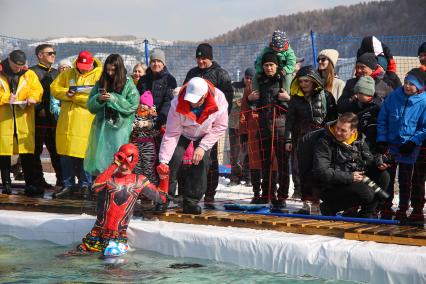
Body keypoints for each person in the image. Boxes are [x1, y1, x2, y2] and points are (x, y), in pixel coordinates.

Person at [73, 143, 169, 257]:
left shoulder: (139, 181)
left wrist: (164, 178)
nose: (123, 166)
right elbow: (95, 187)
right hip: (97, 233)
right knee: (73, 257)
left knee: (112, 267)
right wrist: (114, 164)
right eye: (121, 161)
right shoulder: (109, 178)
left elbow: (161, 199)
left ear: (135, 161)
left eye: (127, 161)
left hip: (118, 236)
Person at [158, 77, 228, 214]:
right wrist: (163, 160)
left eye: (196, 100)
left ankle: (191, 201)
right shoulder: (177, 102)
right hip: (182, 132)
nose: (192, 103)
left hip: (205, 133)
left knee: (202, 161)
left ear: (205, 95)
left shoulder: (219, 99)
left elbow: (220, 126)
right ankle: (163, 199)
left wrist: (202, 147)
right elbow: (172, 134)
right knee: (172, 159)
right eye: (190, 100)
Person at [313, 113, 390, 218]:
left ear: (353, 131)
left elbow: (368, 160)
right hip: (329, 186)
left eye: (343, 130)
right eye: (337, 128)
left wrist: (378, 162)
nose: (338, 132)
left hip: (352, 180)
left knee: (383, 176)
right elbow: (322, 172)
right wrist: (350, 176)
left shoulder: (359, 140)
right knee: (367, 193)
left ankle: (367, 214)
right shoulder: (324, 142)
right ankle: (329, 207)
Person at [183, 43, 233, 203]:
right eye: (198, 58)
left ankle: (210, 192)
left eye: (203, 58)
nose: (200, 61)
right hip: (192, 123)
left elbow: (227, 100)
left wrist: (218, 120)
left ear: (210, 58)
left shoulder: (221, 74)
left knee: (210, 158)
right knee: (191, 157)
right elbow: (185, 95)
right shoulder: (192, 73)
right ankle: (190, 191)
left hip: (211, 124)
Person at [284, 65, 337, 214]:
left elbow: (334, 118)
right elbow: (289, 121)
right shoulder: (295, 100)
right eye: (301, 81)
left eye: (306, 81)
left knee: (319, 170)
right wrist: (288, 141)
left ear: (313, 81)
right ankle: (306, 202)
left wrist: (332, 139)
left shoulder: (326, 96)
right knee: (303, 171)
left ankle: (319, 202)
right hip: (302, 139)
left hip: (322, 139)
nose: (303, 84)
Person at [50, 50, 102, 199]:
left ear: (92, 63)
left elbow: (97, 99)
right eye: (80, 66)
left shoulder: (99, 76)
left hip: (85, 122)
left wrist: (75, 98)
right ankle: (68, 185)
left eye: (85, 67)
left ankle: (86, 185)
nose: (82, 69)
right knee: (65, 154)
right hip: (67, 122)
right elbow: (54, 88)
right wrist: (67, 93)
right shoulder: (68, 74)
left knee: (85, 155)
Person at [376, 68, 426, 221]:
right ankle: (386, 206)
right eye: (406, 82)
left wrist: (413, 141)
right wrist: (382, 139)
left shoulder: (423, 101)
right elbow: (383, 119)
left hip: (408, 148)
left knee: (405, 180)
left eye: (412, 84)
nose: (407, 86)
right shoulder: (394, 97)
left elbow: (424, 127)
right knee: (387, 178)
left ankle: (403, 208)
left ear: (419, 86)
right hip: (391, 145)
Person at [84, 54, 139, 181]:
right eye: (107, 69)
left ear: (119, 69)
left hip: (119, 131)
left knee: (117, 159)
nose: (109, 73)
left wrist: (114, 99)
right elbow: (90, 106)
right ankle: (99, 187)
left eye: (113, 70)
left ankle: (116, 187)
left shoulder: (128, 85)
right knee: (100, 161)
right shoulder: (101, 83)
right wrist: (99, 99)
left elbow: (132, 106)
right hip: (101, 130)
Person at [249, 52, 290, 208]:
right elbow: (255, 103)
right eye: (266, 65)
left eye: (271, 65)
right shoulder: (260, 81)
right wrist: (249, 99)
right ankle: (267, 193)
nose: (269, 68)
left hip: (281, 126)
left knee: (282, 163)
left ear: (277, 66)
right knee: (266, 162)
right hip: (264, 126)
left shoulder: (283, 80)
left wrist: (287, 100)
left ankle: (282, 196)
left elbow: (291, 104)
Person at [0, 50, 43, 195]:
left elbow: (37, 90)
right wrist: (6, 98)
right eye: (16, 66)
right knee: (3, 152)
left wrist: (32, 98)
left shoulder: (29, 74)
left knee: (27, 152)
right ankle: (6, 183)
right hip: (4, 119)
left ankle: (30, 183)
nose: (18, 69)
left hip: (23, 117)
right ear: (9, 60)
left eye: (21, 66)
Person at [30, 44, 63, 189]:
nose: (53, 55)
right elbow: (27, 92)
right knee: (35, 151)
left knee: (56, 151)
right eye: (49, 53)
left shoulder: (57, 73)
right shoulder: (32, 72)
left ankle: (61, 180)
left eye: (54, 53)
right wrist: (39, 108)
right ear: (40, 55)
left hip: (55, 120)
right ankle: (38, 180)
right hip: (38, 119)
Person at [137, 49, 177, 134]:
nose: (156, 64)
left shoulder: (170, 80)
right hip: (143, 120)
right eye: (153, 61)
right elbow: (137, 98)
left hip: (162, 122)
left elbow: (169, 102)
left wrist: (160, 120)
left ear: (163, 64)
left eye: (159, 61)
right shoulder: (143, 80)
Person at [228, 67, 254, 186]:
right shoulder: (234, 86)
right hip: (234, 124)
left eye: (251, 79)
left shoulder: (255, 88)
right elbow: (227, 101)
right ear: (244, 77)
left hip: (249, 126)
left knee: (249, 152)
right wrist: (235, 102)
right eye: (247, 78)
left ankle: (248, 177)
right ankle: (234, 178)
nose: (248, 80)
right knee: (235, 152)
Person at [410, 42, 426, 223]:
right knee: (418, 176)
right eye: (420, 55)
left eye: (425, 55)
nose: (422, 58)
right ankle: (417, 208)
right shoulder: (418, 74)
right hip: (419, 134)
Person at [130, 90, 160, 184]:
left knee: (148, 166)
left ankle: (151, 186)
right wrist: (131, 126)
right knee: (136, 166)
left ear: (150, 106)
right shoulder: (135, 114)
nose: (142, 106)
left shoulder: (152, 115)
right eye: (141, 103)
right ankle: (139, 187)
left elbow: (156, 128)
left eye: (145, 104)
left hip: (148, 144)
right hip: (135, 142)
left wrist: (147, 124)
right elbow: (130, 123)